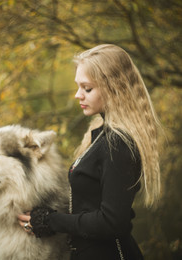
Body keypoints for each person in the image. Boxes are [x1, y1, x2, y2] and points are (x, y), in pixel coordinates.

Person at [18, 44, 161, 259]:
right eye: (78, 87)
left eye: (87, 88)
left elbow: (112, 222)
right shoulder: (102, 136)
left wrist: (51, 220)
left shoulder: (118, 143)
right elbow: (88, 207)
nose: (78, 95)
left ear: (113, 88)